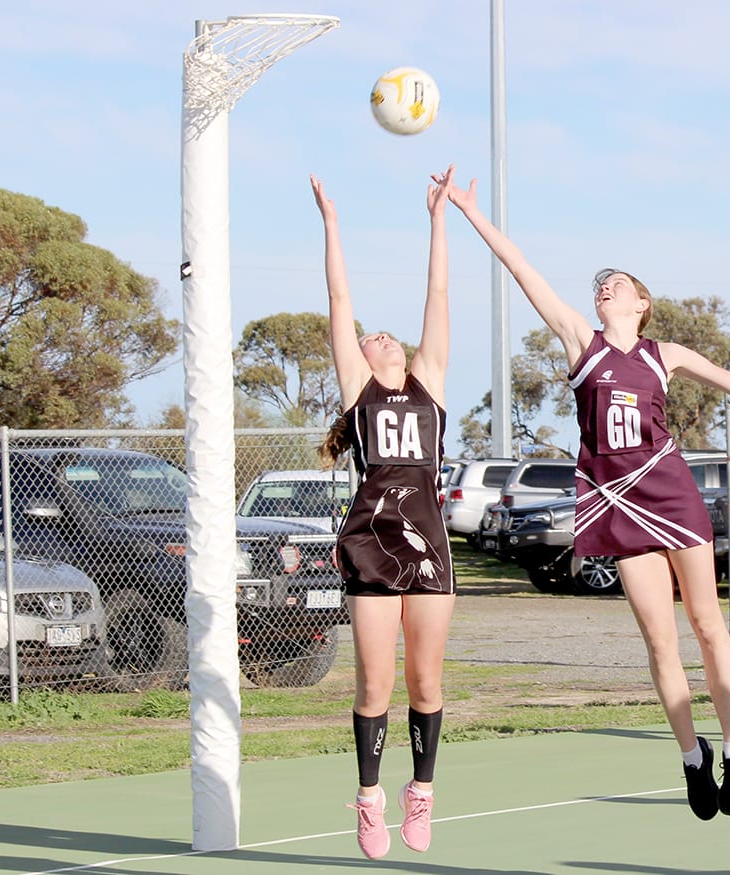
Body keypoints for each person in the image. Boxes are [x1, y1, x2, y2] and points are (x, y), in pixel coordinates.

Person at [444, 173, 730, 820]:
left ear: (641, 302)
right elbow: (522, 271)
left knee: (708, 627)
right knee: (659, 641)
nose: (604, 287)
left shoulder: (663, 352)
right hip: (610, 497)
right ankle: (692, 757)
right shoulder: (581, 343)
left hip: (668, 488)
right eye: (599, 284)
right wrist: (471, 213)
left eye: (617, 282)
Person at [311, 166, 456, 859]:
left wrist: (438, 218)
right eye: (373, 338)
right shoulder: (358, 389)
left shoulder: (428, 381)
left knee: (426, 679)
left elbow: (438, 292)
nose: (382, 339)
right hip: (370, 540)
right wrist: (332, 225)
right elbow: (339, 299)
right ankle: (368, 799)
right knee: (374, 681)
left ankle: (420, 793)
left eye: (389, 337)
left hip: (426, 541)